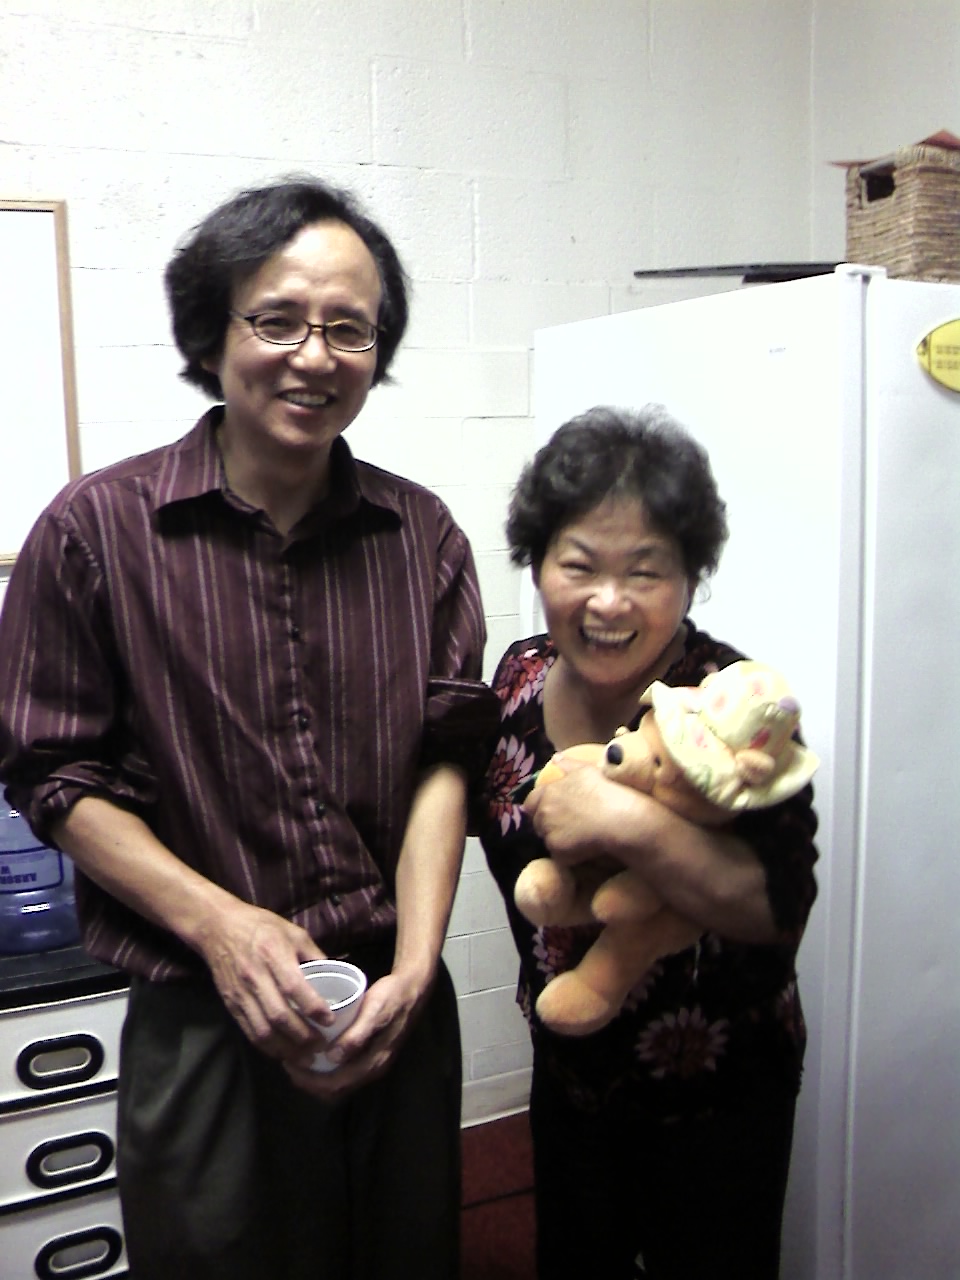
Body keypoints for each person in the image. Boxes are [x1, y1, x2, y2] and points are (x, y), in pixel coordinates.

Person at [0, 177, 498, 1280]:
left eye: (350, 329)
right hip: (203, 1016)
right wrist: (223, 928)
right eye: (277, 319)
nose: (315, 356)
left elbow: (444, 761)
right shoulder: (94, 533)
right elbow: (54, 775)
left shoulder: (423, 535)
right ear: (210, 333)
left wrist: (420, 966)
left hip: (392, 1000)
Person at [476, 405, 818, 1280]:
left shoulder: (732, 706)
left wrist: (629, 823)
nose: (609, 601)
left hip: (717, 1097)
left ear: (690, 578)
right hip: (568, 1077)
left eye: (646, 570)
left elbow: (781, 908)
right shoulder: (518, 677)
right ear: (538, 564)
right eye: (579, 564)